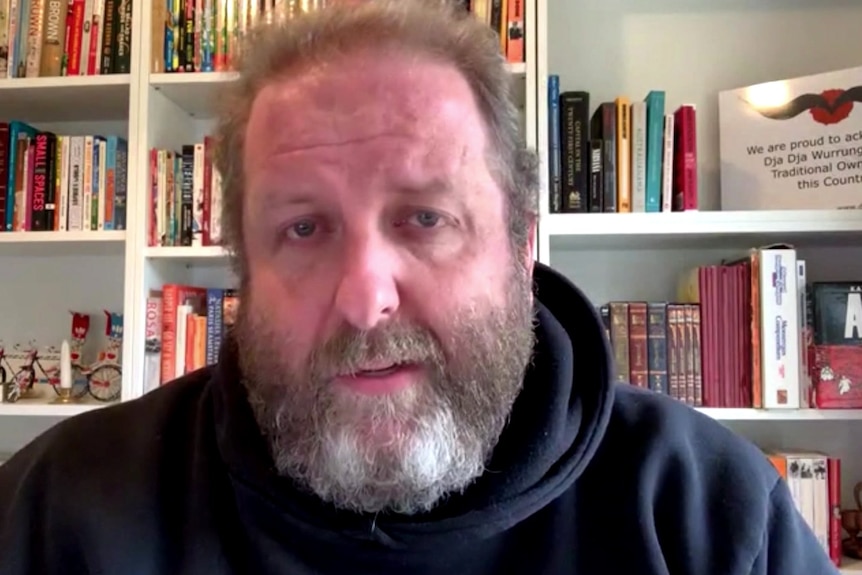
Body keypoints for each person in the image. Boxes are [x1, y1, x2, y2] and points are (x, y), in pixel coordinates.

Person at [0, 1, 839, 574]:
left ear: (520, 243)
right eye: (303, 228)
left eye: (425, 219)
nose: (366, 299)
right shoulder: (58, 511)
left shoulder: (711, 520)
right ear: (242, 268)